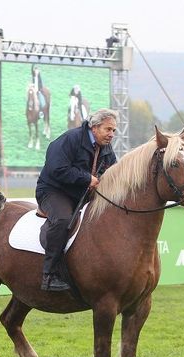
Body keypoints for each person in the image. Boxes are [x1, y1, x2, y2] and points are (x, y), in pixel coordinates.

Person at [35, 108, 118, 291]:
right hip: (52, 191)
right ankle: (49, 275)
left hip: (81, 194)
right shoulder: (70, 139)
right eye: (108, 129)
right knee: (63, 219)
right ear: (94, 127)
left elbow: (114, 172)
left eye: (114, 130)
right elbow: (56, 168)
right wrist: (87, 178)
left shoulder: (106, 148)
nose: (112, 134)